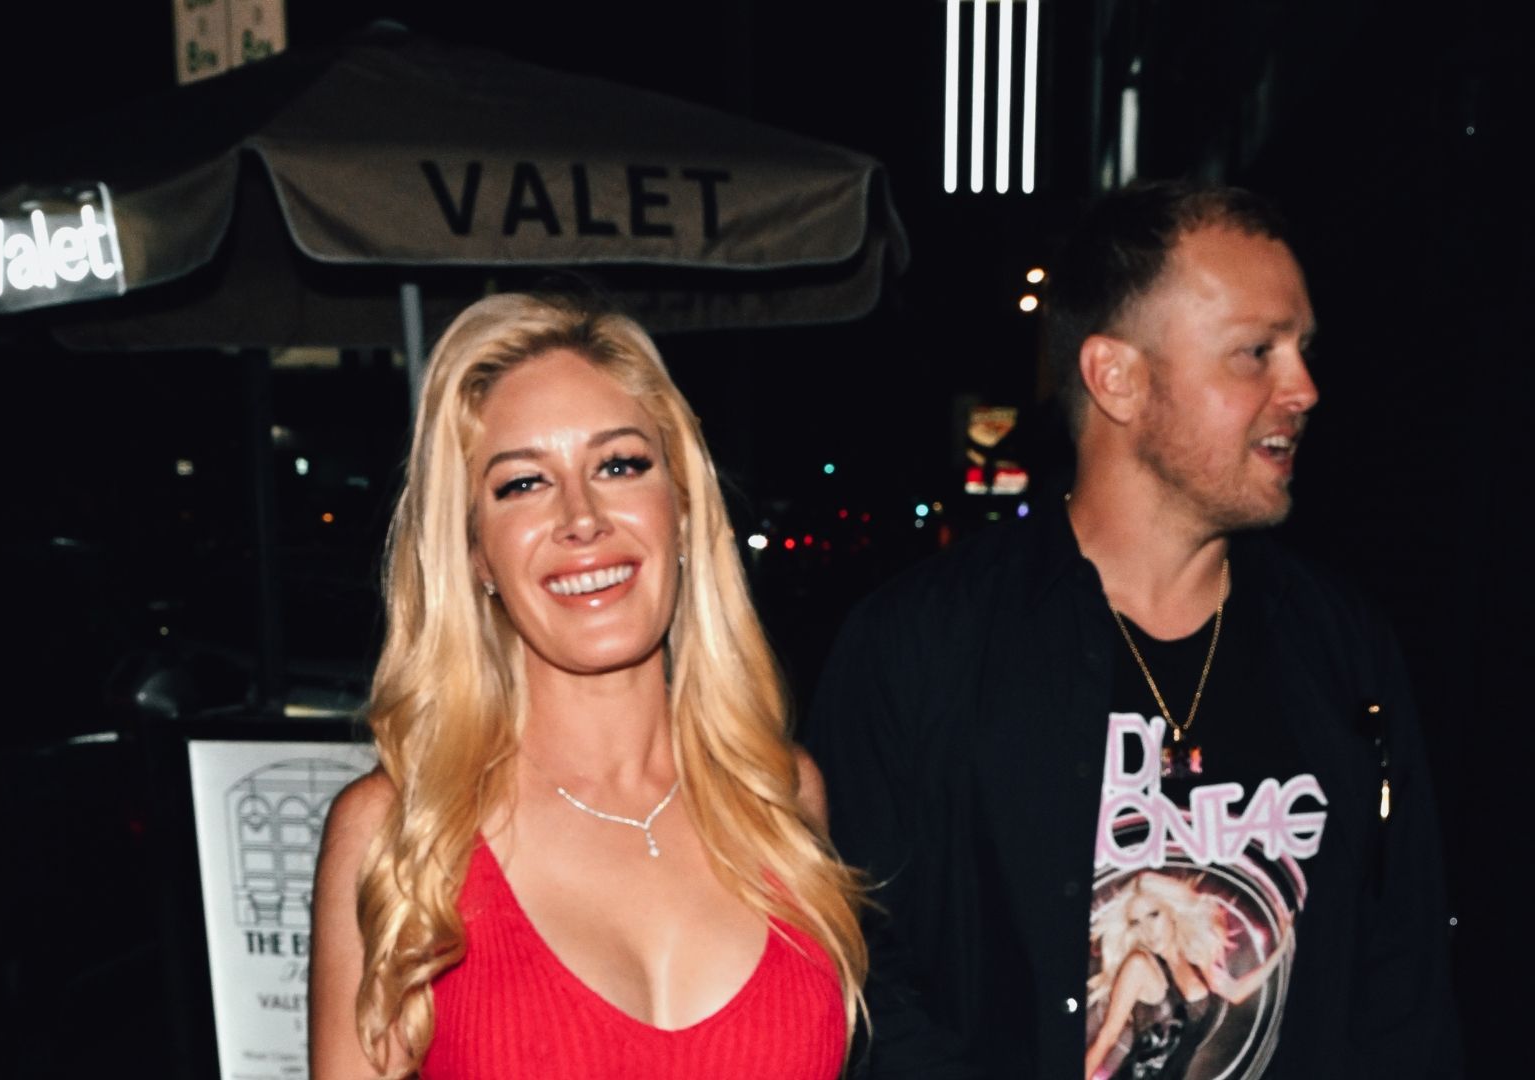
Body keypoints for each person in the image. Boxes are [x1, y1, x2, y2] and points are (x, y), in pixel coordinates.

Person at [805, 180, 1460, 1079]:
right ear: (1118, 377)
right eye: (1255, 352)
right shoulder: (918, 646)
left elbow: (1403, 983)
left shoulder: (1343, 646)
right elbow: (858, 971)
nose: (1304, 388)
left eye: (1302, 349)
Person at [310, 293, 865, 1079]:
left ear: (680, 508)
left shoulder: (778, 796)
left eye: (619, 465)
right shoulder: (401, 835)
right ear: (475, 553)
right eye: (522, 484)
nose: (581, 517)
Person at [1085, 871, 1290, 1079]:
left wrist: (1282, 949)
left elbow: (1236, 992)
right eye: (1136, 923)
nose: (1147, 930)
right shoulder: (1139, 965)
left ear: (1171, 912)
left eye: (1153, 915)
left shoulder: (1195, 963)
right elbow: (1107, 1037)